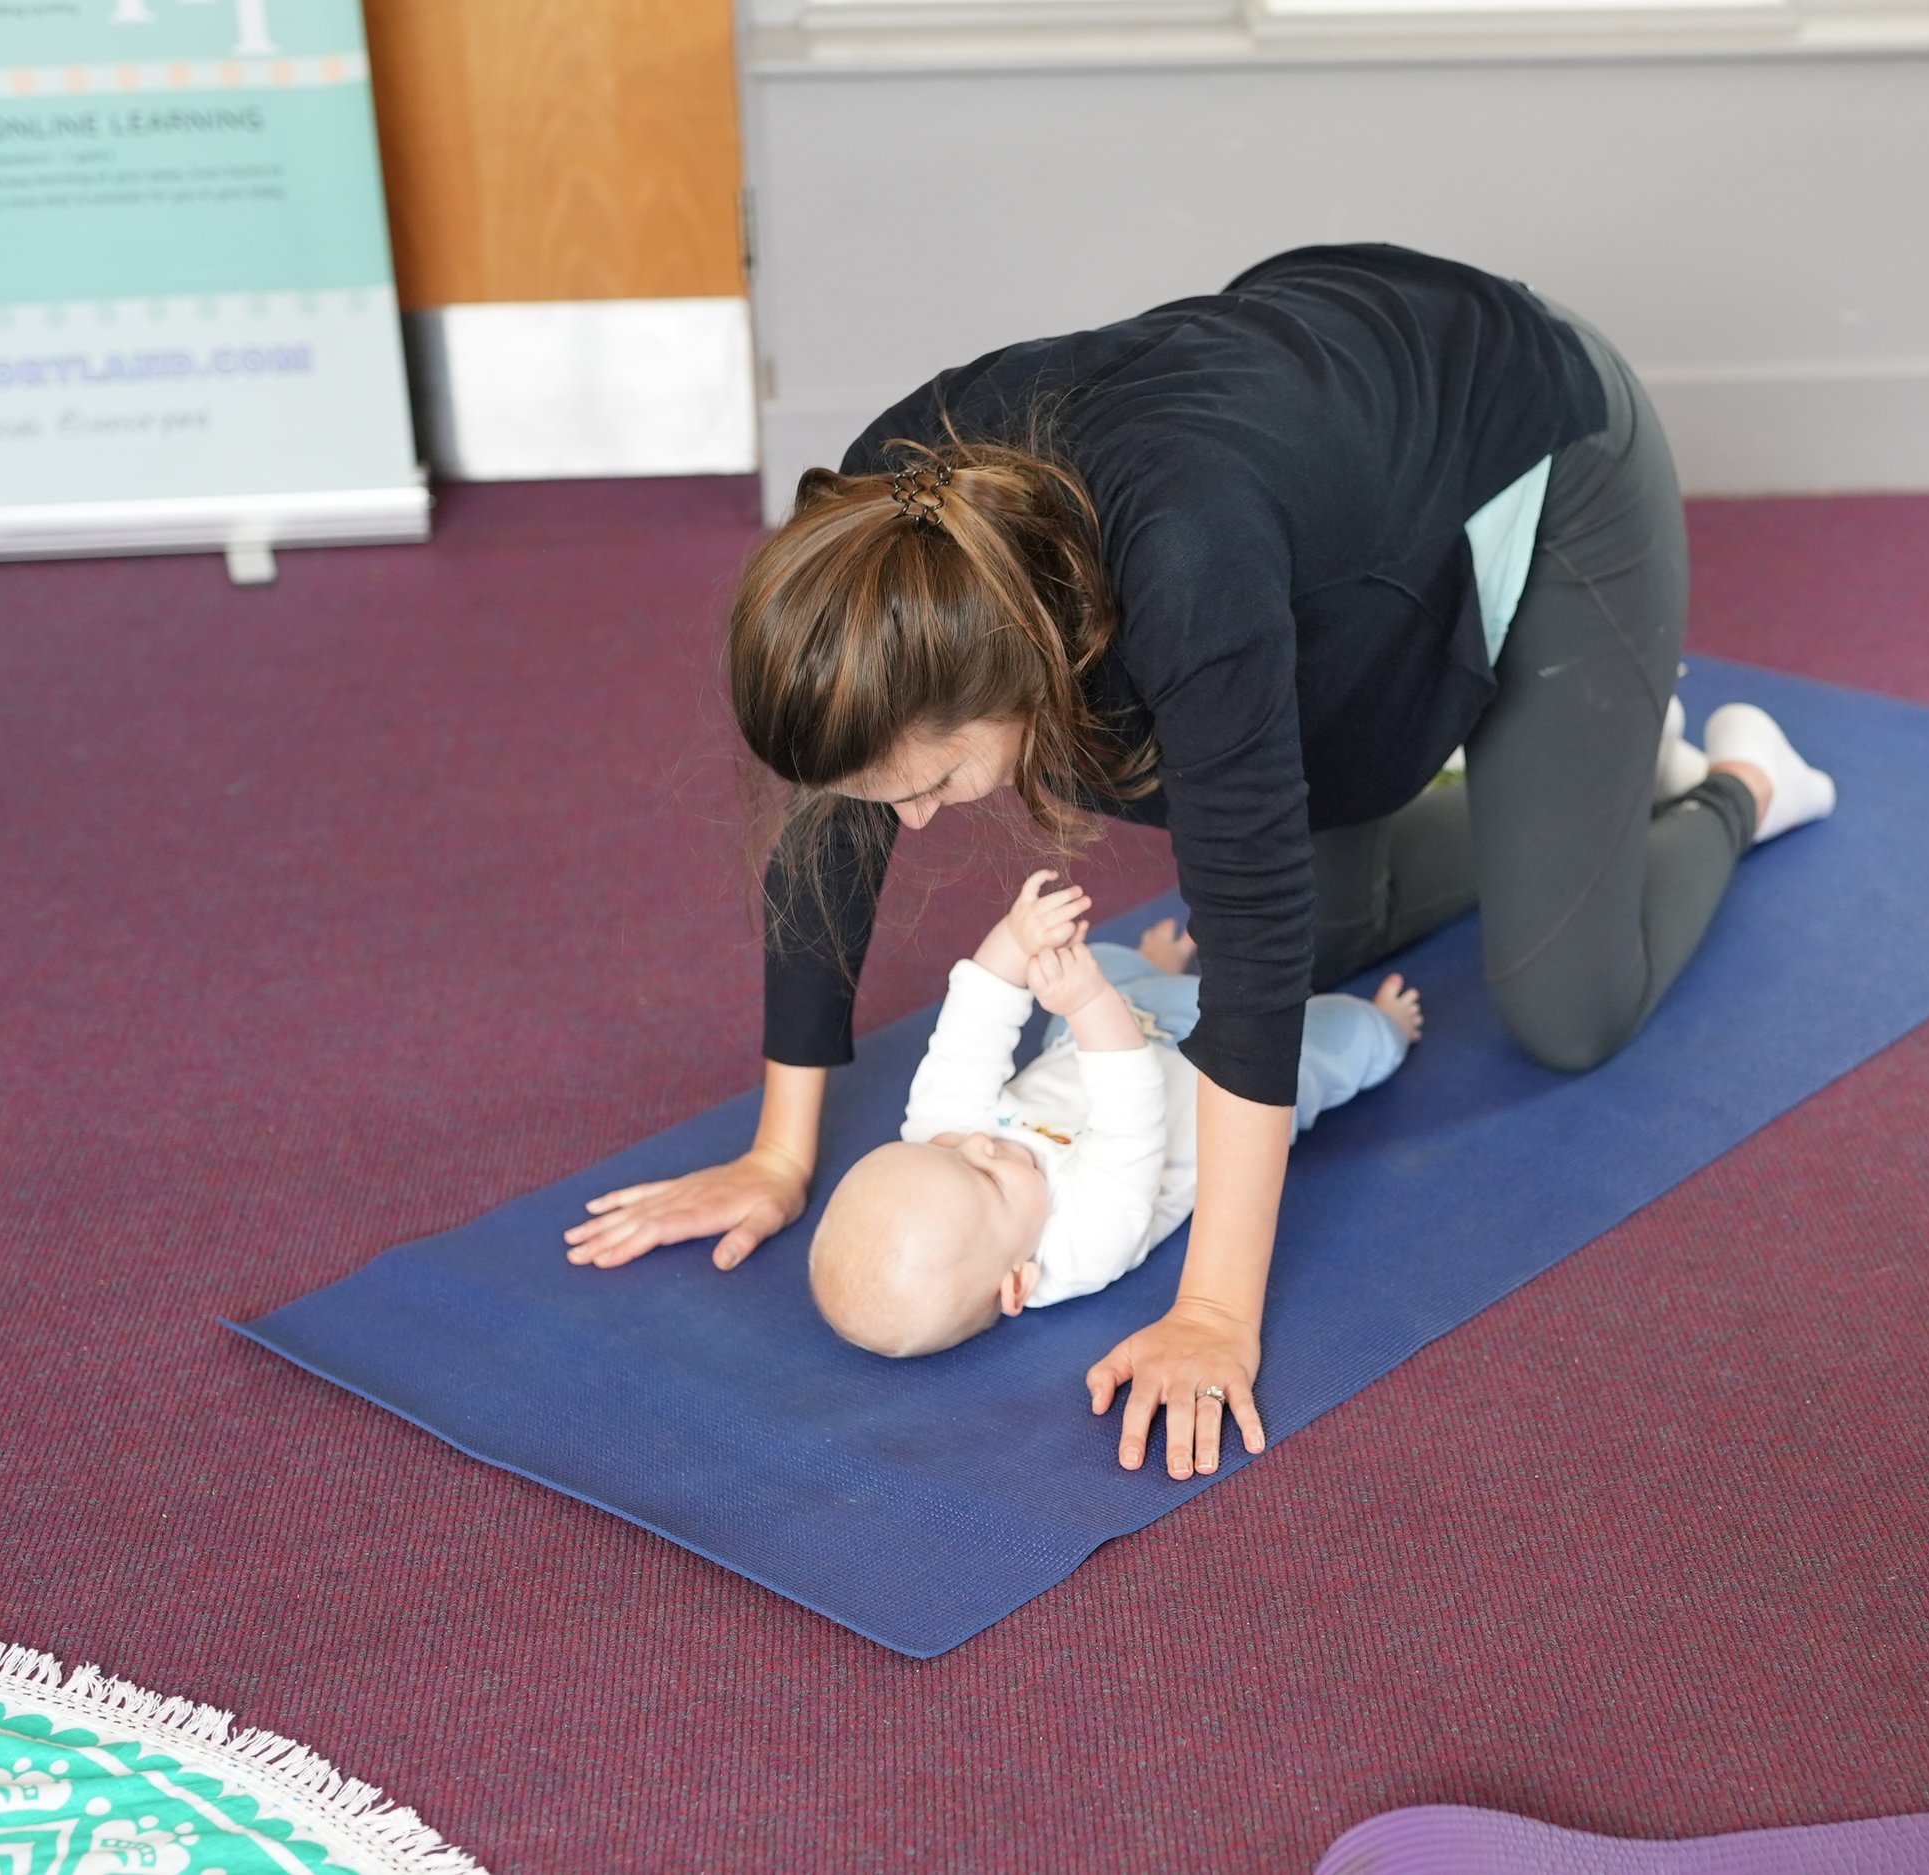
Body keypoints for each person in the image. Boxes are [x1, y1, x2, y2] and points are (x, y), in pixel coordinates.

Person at [561, 242, 1836, 1481]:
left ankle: (1735, 782)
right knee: (1280, 915)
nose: (915, 823)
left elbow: (1262, 943)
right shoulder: (880, 540)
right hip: (1323, 466)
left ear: (993, 670)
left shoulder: (1183, 567)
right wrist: (779, 1158)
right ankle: (1593, 773)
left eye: (936, 784)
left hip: (1531, 435)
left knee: (1565, 1008)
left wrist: (1215, 1311)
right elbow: (836, 806)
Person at [812, 871, 1420, 1358]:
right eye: (988, 1178)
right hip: (1225, 1082)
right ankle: (1387, 1029)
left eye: (943, 1149)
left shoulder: (937, 1142)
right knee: (1337, 1044)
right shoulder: (1079, 1247)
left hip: (1122, 1014)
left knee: (1092, 953)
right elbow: (1130, 1108)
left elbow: (972, 1024)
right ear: (1018, 1282)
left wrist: (1015, 941)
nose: (979, 1145)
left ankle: (1152, 966)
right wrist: (1089, 1002)